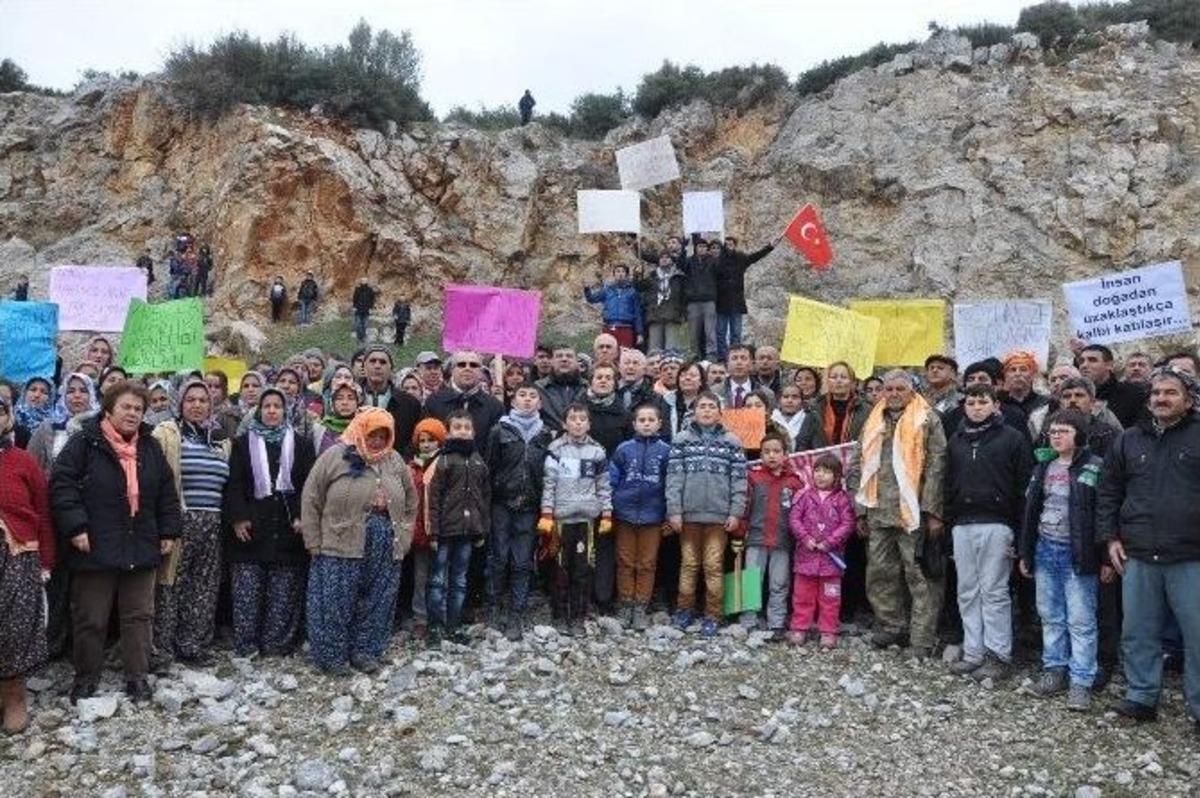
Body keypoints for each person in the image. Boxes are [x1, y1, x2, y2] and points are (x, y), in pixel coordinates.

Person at [51, 382, 181, 702]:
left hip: (140, 544)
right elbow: (62, 486)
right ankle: (85, 678)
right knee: (91, 617)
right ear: (109, 409)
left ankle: (137, 677)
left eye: (138, 409)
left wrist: (168, 532)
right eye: (127, 407)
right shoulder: (84, 442)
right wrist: (76, 527)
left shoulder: (149, 447)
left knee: (139, 616)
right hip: (94, 545)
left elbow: (166, 493)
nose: (133, 413)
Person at [1098, 367, 1200, 732]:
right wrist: (1110, 538)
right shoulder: (1128, 440)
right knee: (1138, 631)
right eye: (1156, 393)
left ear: (1188, 401)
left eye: (1170, 393)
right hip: (1138, 553)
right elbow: (1109, 492)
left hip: (1191, 555)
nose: (1160, 398)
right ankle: (1141, 697)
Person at [302, 407, 416, 674]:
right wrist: (313, 539)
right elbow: (311, 498)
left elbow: (411, 500)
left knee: (378, 599)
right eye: (372, 434)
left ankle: (366, 652)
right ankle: (332, 657)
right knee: (334, 601)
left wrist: (406, 535)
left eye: (382, 435)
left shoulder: (394, 460)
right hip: (339, 540)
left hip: (385, 540)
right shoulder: (335, 456)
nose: (376, 441)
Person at [853, 370, 947, 657]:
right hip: (878, 511)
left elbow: (937, 467)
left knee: (919, 577)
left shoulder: (927, 419)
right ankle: (891, 627)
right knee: (880, 573)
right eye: (888, 389)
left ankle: (921, 639)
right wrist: (860, 510)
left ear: (911, 391)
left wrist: (933, 512)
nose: (893, 393)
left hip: (913, 513)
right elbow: (858, 464)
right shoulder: (873, 420)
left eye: (899, 389)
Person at [944, 384, 1033, 682]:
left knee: (994, 591)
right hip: (962, 523)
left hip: (998, 522)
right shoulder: (955, 440)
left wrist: (1020, 533)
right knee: (967, 590)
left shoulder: (1013, 438)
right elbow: (947, 483)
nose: (977, 407)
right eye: (971, 402)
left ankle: (998, 654)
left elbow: (1024, 487)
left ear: (996, 405)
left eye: (983, 402)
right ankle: (973, 651)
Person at [1018, 409, 1104, 711]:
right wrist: (1025, 551)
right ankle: (1054, 669)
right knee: (1050, 615)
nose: (1056, 436)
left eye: (1063, 430)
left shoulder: (1095, 467)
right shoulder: (1043, 466)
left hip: (1079, 555)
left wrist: (1104, 556)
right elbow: (1030, 512)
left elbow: (1103, 513)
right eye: (1052, 431)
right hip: (1045, 549)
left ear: (1078, 434)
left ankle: (1081, 680)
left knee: (1081, 620)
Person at [224, 388, 316, 657]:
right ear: (259, 410)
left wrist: (301, 515)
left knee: (284, 590)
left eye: (278, 406)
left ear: (285, 411)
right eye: (267, 406)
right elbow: (235, 484)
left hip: (287, 527)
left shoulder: (300, 444)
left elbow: (307, 485)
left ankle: (276, 643)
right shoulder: (242, 444)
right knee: (247, 590)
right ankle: (247, 644)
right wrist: (238, 518)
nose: (272, 411)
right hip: (251, 525)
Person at [150, 379, 232, 668]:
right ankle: (162, 649)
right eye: (191, 400)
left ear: (212, 405)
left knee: (204, 585)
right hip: (180, 519)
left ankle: (193, 645)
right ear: (180, 404)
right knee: (170, 584)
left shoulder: (220, 440)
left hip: (213, 522)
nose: (197, 405)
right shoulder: (167, 434)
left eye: (203, 400)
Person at [666, 391, 747, 638]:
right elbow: (674, 478)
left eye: (712, 406)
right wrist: (674, 511)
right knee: (689, 565)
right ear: (694, 410)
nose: (707, 410)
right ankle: (684, 609)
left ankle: (713, 615)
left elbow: (740, 481)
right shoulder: (681, 440)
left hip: (718, 517)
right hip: (688, 516)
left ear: (720, 412)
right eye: (702, 406)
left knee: (713, 566)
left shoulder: (732, 441)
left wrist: (735, 512)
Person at [0, 394, 54, 733]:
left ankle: (14, 695)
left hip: (18, 554)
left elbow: (44, 511)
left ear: (7, 417)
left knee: (14, 625)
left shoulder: (23, 461)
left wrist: (47, 559)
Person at [483, 385, 551, 640]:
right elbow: (489, 468)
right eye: (522, 395)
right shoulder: (499, 430)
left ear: (539, 403)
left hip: (530, 505)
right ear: (513, 400)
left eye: (532, 395)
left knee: (522, 562)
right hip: (501, 504)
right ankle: (493, 605)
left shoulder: (545, 433)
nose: (527, 399)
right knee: (498, 557)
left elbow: (548, 472)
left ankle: (516, 612)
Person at [538, 404, 611, 635]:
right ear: (564, 423)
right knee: (561, 568)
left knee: (583, 569)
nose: (578, 423)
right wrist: (547, 513)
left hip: (587, 518)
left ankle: (578, 616)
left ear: (589, 424)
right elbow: (548, 483)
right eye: (573, 418)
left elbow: (604, 485)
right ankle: (560, 615)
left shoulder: (597, 451)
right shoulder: (555, 449)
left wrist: (607, 512)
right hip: (561, 518)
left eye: (582, 419)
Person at [424, 410, 490, 647]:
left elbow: (484, 497)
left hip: (468, 530)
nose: (463, 431)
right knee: (438, 579)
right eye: (458, 427)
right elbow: (434, 498)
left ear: (473, 431)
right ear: (449, 431)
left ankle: (454, 624)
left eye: (467, 427)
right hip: (444, 531)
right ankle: (434, 625)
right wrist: (433, 531)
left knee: (460, 579)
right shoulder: (442, 460)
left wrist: (481, 528)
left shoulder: (478, 461)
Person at [609, 403, 670, 631]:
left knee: (647, 563)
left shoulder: (666, 451)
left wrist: (667, 513)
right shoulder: (624, 449)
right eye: (641, 420)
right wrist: (612, 506)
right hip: (624, 514)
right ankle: (626, 604)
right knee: (625, 562)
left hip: (653, 516)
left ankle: (640, 607)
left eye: (650, 420)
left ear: (659, 424)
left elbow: (670, 485)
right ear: (634, 424)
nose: (646, 424)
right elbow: (612, 480)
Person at [737, 430, 803, 638]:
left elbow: (801, 512)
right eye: (767, 452)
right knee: (751, 580)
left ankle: (776, 621)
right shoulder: (753, 477)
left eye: (777, 451)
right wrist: (741, 530)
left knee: (779, 582)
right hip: (756, 538)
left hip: (782, 540)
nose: (772, 456)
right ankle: (748, 619)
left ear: (785, 454)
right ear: (761, 454)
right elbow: (744, 506)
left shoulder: (795, 482)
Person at [788, 452, 856, 648]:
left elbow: (848, 523)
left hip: (831, 560)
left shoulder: (842, 499)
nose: (820, 475)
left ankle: (828, 631)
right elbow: (794, 519)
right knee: (802, 596)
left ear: (837, 476)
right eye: (817, 470)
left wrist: (829, 542)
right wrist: (806, 538)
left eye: (827, 472)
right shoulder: (804, 496)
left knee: (830, 598)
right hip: (805, 557)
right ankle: (800, 628)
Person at [424, 350, 505, 449]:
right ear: (452, 370)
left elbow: (497, 447)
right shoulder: (434, 402)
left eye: (473, 365)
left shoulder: (495, 407)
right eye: (461, 365)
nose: (467, 368)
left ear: (480, 372)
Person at [714, 235, 775, 360]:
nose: (729, 246)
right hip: (721, 302)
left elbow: (755, 257)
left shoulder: (740, 258)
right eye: (727, 244)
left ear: (735, 245)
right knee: (720, 332)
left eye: (731, 244)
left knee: (736, 333)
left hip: (737, 302)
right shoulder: (718, 260)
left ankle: (734, 356)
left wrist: (769, 247)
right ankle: (722, 357)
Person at [359, 346, 422, 455]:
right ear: (364, 367)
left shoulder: (409, 403)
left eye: (383, 362)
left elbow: (416, 437)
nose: (377, 366)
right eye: (372, 361)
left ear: (391, 369)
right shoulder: (352, 399)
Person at [796, 361, 870, 451]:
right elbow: (803, 442)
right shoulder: (815, 408)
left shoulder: (865, 410)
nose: (838, 381)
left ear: (852, 382)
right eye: (833, 377)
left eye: (844, 377)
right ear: (827, 381)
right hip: (821, 462)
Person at [1077, 344, 1149, 429]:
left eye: (1092, 360)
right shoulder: (1074, 396)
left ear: (1109, 365)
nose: (1084, 365)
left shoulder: (1134, 394)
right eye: (1082, 361)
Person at [584, 266, 643, 349]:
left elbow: (637, 313)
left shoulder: (632, 292)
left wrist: (639, 333)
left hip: (626, 327)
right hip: (609, 326)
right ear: (614, 274)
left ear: (626, 275)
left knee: (625, 353)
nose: (620, 274)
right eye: (618, 271)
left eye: (623, 272)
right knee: (608, 353)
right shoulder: (607, 290)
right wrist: (587, 289)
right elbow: (592, 299)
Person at [640, 254, 686, 353]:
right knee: (654, 350)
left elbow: (683, 296)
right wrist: (637, 275)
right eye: (661, 257)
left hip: (673, 315)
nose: (664, 259)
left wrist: (682, 313)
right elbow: (639, 288)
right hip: (655, 315)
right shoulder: (651, 277)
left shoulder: (679, 277)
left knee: (671, 349)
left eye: (667, 257)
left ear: (672, 261)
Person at [536, 345, 587, 434]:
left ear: (576, 362)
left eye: (569, 356)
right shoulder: (538, 388)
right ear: (551, 361)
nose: (564, 359)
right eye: (559, 356)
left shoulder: (588, 387)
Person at [683, 240, 719, 359]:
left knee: (710, 330)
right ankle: (694, 353)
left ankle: (711, 353)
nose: (702, 249)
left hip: (708, 300)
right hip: (693, 300)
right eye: (700, 246)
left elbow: (721, 272)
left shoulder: (712, 261)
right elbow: (680, 264)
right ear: (695, 248)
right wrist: (683, 247)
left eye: (704, 247)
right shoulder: (689, 261)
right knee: (693, 331)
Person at [1000, 350, 1050, 420]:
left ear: (1033, 374)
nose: (1017, 374)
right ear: (1006, 376)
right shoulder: (999, 404)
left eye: (1023, 369)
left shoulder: (1044, 403)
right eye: (1012, 370)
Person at [720, 344, 773, 409]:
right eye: (734, 358)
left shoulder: (766, 393)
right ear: (727, 364)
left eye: (743, 358)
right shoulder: (715, 391)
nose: (739, 362)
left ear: (751, 364)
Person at [664, 359, 706, 437]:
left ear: (701, 381)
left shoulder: (713, 401)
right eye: (683, 375)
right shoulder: (665, 400)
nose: (687, 378)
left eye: (693, 375)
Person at [12, 376, 56, 449]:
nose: (37, 395)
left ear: (50, 398)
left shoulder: (54, 424)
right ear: (25, 392)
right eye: (33, 390)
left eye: (43, 392)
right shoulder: (11, 418)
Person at [772, 384, 809, 452]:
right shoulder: (771, 420)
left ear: (802, 401)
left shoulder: (809, 420)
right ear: (779, 400)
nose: (789, 401)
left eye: (795, 397)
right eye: (785, 397)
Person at [352, 277, 377, 344]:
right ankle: (360, 338)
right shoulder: (357, 289)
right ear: (361, 281)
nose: (364, 281)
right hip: (358, 309)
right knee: (358, 324)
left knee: (365, 325)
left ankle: (362, 338)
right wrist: (354, 307)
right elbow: (355, 298)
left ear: (367, 282)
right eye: (362, 280)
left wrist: (371, 308)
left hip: (366, 310)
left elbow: (372, 299)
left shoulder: (370, 290)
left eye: (365, 280)